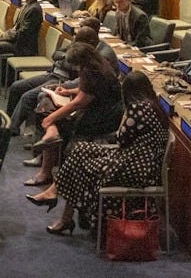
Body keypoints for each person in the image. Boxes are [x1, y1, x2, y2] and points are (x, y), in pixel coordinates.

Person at [30, 71, 169, 235]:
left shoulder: (138, 109)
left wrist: (124, 117)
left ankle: (62, 210)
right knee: (80, 150)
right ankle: (59, 204)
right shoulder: (153, 105)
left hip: (135, 168)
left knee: (80, 165)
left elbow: (121, 139)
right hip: (136, 160)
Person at [24, 41, 122, 191]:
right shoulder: (98, 64)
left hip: (100, 118)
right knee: (47, 101)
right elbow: (86, 90)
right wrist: (68, 92)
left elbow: (78, 103)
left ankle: (45, 170)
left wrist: (51, 118)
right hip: (97, 111)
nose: (75, 68)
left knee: (53, 119)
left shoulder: (91, 72)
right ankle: (51, 136)